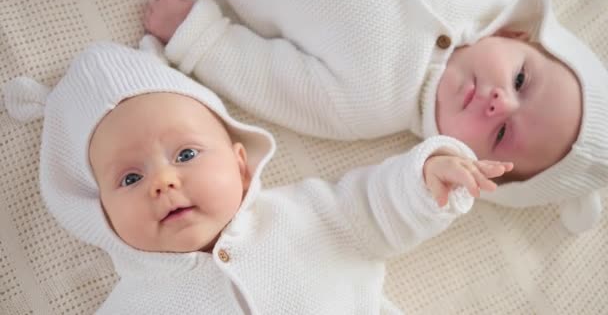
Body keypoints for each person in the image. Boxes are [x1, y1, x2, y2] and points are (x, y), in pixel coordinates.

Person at [3, 43, 512, 313]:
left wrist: (425, 178)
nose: (162, 181)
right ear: (102, 217)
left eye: (184, 153)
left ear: (241, 161)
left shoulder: (308, 216)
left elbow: (378, 206)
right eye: (130, 179)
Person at [142, 0, 608, 233]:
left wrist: (197, 34)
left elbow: (273, 80)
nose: (498, 102)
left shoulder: (367, 105)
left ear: (472, 161)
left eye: (502, 133)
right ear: (520, 35)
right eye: (521, 79)